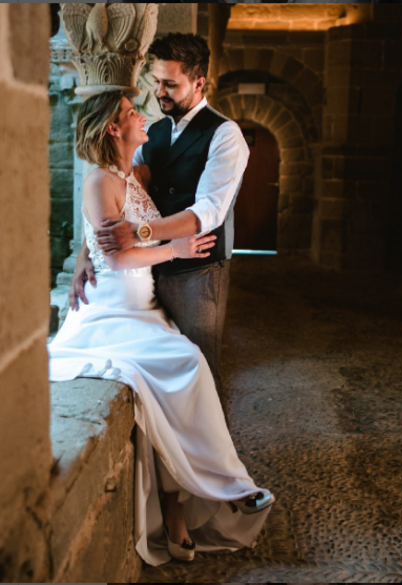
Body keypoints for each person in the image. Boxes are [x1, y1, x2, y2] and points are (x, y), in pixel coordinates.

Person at [48, 90, 274, 566]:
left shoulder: (136, 175)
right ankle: (224, 487)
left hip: (145, 305)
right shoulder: (99, 181)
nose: (143, 115)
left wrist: (86, 251)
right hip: (112, 311)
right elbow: (116, 255)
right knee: (185, 365)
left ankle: (190, 502)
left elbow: (103, 234)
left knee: (186, 371)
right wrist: (176, 250)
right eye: (133, 112)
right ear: (114, 128)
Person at [70, 33, 249, 392]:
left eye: (170, 84)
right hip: (144, 275)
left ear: (198, 83)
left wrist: (141, 233)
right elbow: (118, 192)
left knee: (199, 370)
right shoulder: (153, 133)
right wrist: (85, 255)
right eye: (156, 81)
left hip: (195, 271)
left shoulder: (225, 134)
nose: (159, 92)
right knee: (157, 377)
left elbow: (208, 212)